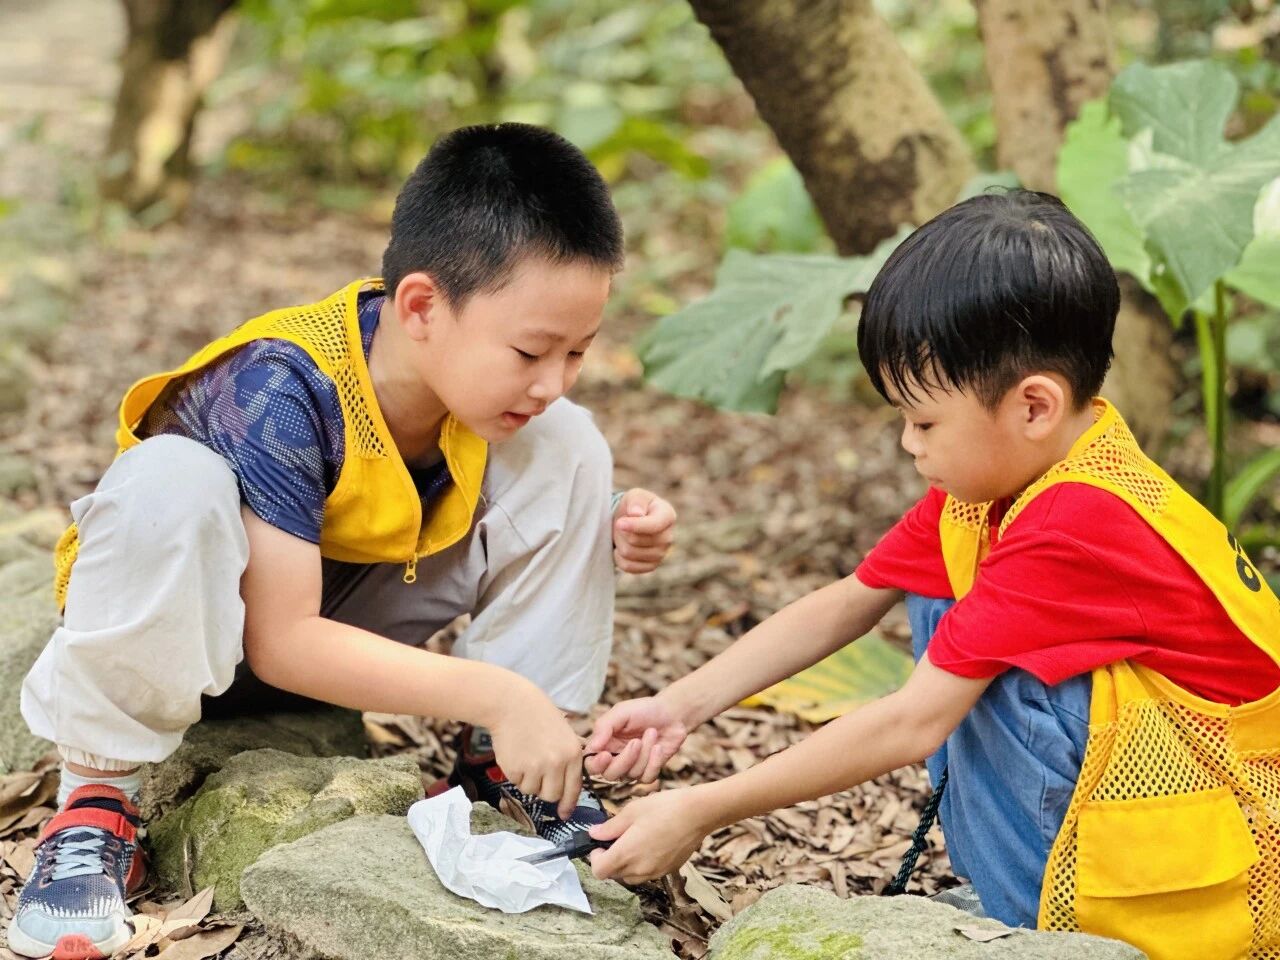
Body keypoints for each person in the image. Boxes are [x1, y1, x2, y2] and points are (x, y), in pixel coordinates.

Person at [7, 123, 677, 960]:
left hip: (344, 626)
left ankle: (505, 769)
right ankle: (96, 800)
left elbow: (418, 500)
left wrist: (601, 518)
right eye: (532, 351)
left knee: (569, 441)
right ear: (423, 307)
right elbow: (280, 641)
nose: (554, 379)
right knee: (169, 481)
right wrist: (503, 693)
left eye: (578, 351)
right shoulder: (278, 388)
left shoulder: (473, 396)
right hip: (201, 645)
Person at [581, 190, 1280, 960]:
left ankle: (1035, 926)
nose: (908, 444)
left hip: (1226, 881)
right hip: (1190, 817)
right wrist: (679, 708)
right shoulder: (1020, 484)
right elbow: (851, 598)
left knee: (969, 658)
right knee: (943, 597)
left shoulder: (1073, 526)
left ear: (1034, 406)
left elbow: (915, 721)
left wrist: (701, 810)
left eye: (924, 421)